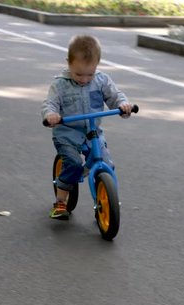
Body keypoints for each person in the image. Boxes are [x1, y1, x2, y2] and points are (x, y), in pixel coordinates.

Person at [42, 34, 133, 220]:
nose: (84, 79)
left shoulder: (102, 81)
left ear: (97, 65)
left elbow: (116, 97)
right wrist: (51, 115)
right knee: (74, 164)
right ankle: (60, 202)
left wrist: (123, 106)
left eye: (90, 74)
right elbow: (49, 104)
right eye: (78, 74)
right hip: (67, 133)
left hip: (92, 133)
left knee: (106, 164)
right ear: (68, 63)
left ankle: (108, 199)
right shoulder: (59, 84)